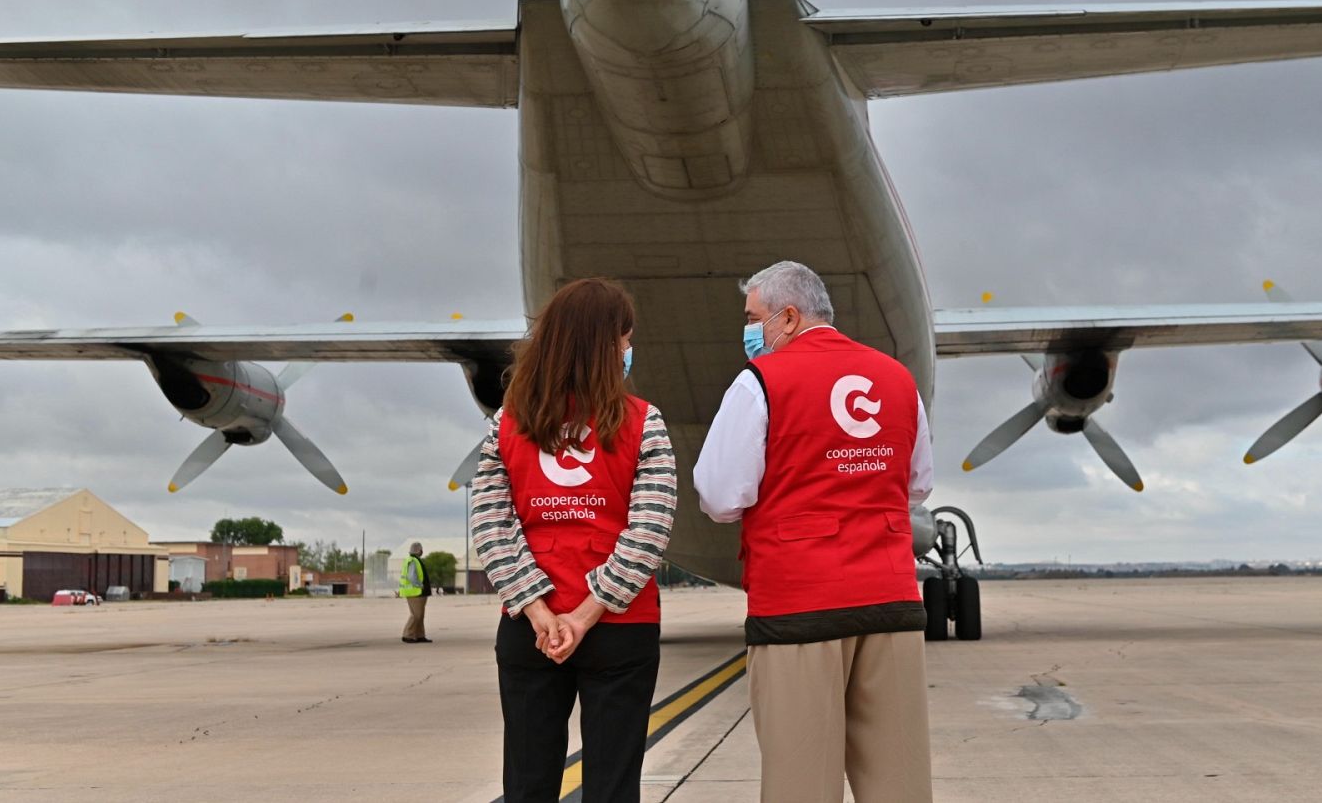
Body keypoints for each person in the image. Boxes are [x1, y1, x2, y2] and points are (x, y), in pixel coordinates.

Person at [695, 260, 935, 803]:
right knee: (900, 782)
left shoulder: (759, 382)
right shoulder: (898, 379)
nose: (749, 331)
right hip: (891, 602)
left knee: (800, 783)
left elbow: (720, 496)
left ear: (787, 317)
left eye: (752, 318)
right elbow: (917, 486)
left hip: (799, 607)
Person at [470, 277, 676, 803]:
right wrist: (586, 615)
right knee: (613, 785)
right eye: (625, 341)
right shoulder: (644, 421)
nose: (628, 350)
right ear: (605, 346)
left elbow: (491, 526)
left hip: (530, 630)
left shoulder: (506, 424)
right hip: (620, 628)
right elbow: (648, 531)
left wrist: (539, 611)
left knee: (527, 782)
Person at [399, 542, 432, 643]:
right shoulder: (413, 561)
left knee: (420, 615)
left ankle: (419, 635)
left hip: (419, 593)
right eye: (421, 550)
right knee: (416, 615)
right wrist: (420, 585)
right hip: (415, 593)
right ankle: (408, 635)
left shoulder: (415, 560)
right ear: (419, 550)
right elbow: (411, 576)